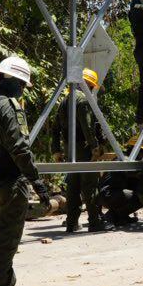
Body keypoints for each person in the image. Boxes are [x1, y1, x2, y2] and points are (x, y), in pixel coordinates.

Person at [0, 55, 52, 286]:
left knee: (1, 237)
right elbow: (20, 149)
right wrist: (37, 183)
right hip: (9, 183)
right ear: (15, 82)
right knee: (7, 241)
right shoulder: (8, 106)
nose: (22, 91)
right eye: (22, 86)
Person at [53, 68, 108, 232]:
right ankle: (95, 222)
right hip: (84, 149)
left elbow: (55, 128)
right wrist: (95, 147)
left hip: (70, 149)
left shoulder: (65, 100)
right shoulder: (83, 100)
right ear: (88, 85)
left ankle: (72, 223)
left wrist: (56, 150)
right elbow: (87, 126)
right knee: (90, 185)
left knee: (73, 186)